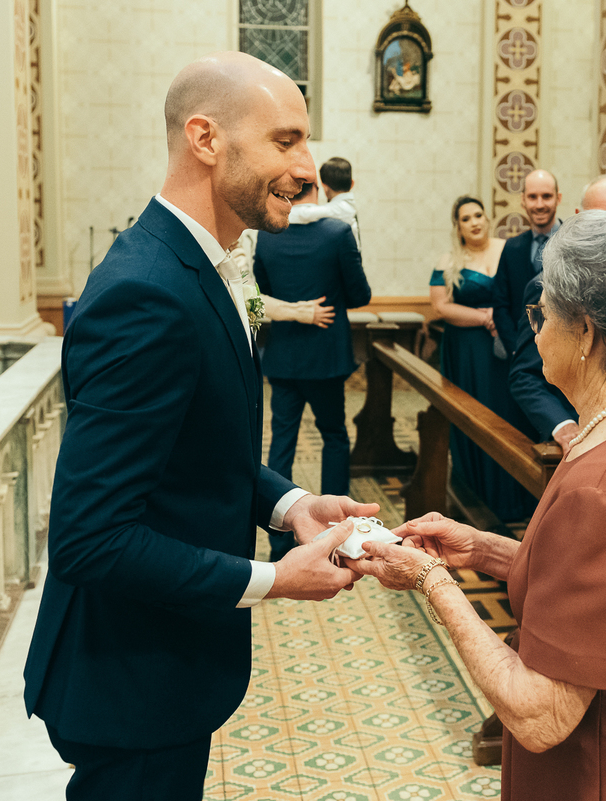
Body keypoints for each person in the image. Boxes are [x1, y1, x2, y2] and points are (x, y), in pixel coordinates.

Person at [22, 53, 378, 801]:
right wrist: (273, 580)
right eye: (286, 140)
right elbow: (91, 537)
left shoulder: (200, 264)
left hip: (167, 665)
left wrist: (290, 505)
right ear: (206, 138)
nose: (307, 169)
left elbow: (196, 449)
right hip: (130, 677)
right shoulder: (147, 292)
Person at [348, 210, 606, 800]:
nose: (533, 331)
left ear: (585, 331)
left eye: (541, 314)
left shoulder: (604, 488)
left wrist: (432, 581)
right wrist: (484, 550)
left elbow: (541, 715)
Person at [255, 177, 373, 559]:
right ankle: (337, 532)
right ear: (318, 189)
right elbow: (360, 294)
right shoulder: (337, 232)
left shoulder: (268, 235)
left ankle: (278, 540)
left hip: (283, 355)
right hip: (326, 356)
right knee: (334, 436)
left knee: (282, 441)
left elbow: (260, 290)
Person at [509, 174, 606, 454]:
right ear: (579, 218)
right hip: (581, 434)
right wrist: (563, 425)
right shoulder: (543, 289)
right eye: (600, 218)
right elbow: (525, 376)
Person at [430, 195, 536, 521]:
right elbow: (440, 306)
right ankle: (477, 496)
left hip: (509, 344)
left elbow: (526, 293)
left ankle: (518, 498)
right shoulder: (448, 261)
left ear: (488, 218)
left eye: (478, 215)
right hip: (468, 349)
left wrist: (502, 319)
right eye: (466, 219)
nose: (474, 222)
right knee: (476, 415)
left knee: (510, 414)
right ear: (458, 227)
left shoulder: (509, 250)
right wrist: (483, 317)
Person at [491, 169, 563, 358]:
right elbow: (500, 304)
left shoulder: (574, 243)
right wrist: (516, 348)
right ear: (523, 200)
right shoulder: (511, 247)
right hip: (521, 355)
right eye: (532, 197)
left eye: (546, 196)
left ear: (558, 198)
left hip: (565, 354)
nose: (539, 204)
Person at [287, 156, 361, 245]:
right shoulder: (348, 206)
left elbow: (304, 214)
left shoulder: (339, 208)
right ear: (352, 183)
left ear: (324, 187)